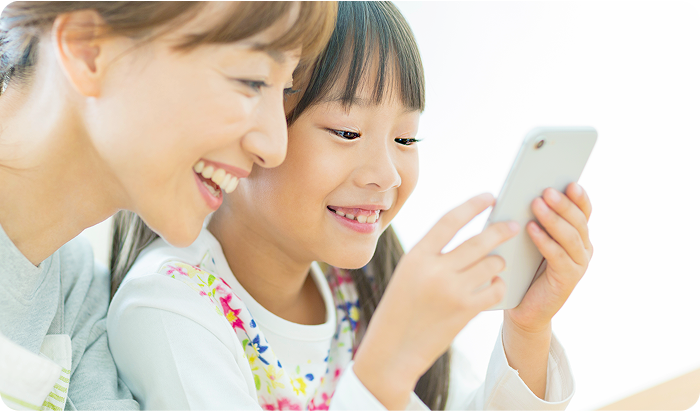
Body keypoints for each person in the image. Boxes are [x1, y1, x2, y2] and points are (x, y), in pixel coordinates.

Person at [108, 2, 592, 410]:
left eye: (406, 138)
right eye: (346, 131)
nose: (387, 174)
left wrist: (527, 328)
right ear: (254, 125)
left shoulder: (361, 284)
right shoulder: (170, 307)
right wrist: (384, 369)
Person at [0, 2, 336, 410]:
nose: (275, 146)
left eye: (283, 91)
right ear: (87, 50)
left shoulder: (78, 300)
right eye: (251, 81)